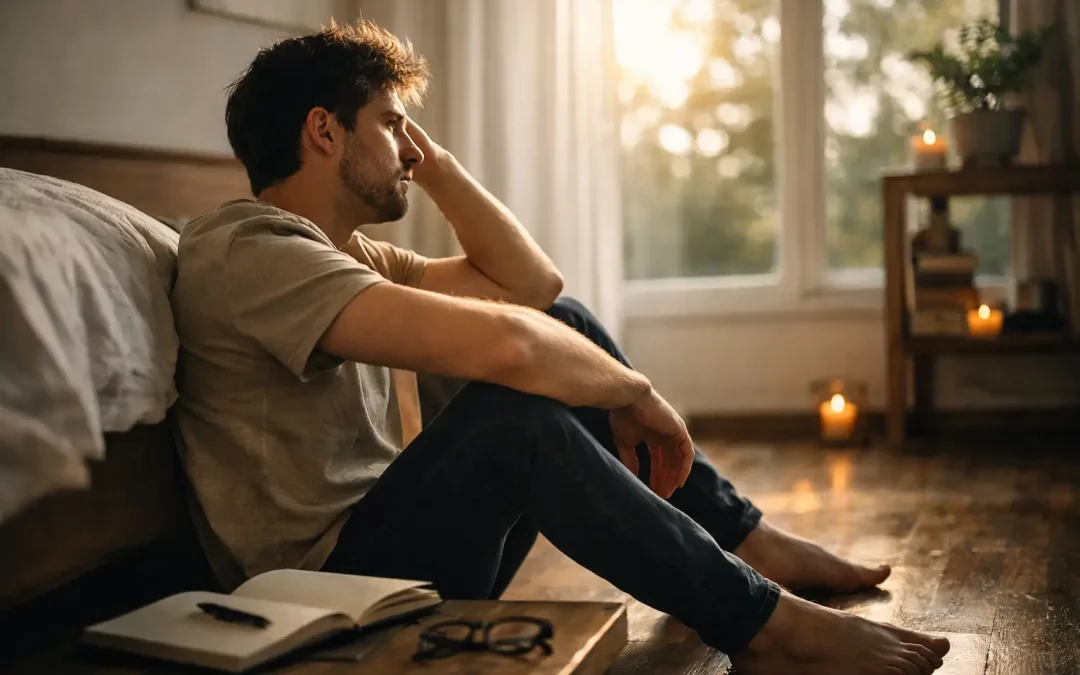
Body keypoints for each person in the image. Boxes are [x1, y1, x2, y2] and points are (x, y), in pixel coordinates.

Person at [171, 20, 950, 675]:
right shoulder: (253, 251)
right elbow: (511, 344)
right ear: (323, 129)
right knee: (518, 413)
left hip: (386, 554)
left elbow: (533, 289)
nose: (410, 149)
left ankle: (746, 540)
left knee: (567, 325)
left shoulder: (344, 252)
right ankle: (764, 623)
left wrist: (435, 167)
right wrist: (634, 393)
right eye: (391, 124)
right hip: (317, 598)